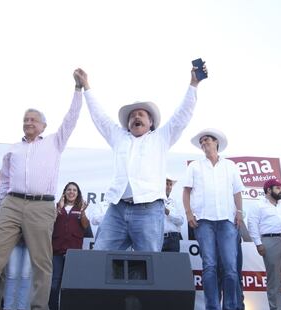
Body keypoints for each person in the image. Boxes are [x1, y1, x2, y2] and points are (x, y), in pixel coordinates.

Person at [0, 71, 83, 310]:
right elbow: (5, 184)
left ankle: (39, 307)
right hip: (11, 204)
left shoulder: (54, 142)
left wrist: (78, 90)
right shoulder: (13, 150)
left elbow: (71, 119)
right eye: (25, 119)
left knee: (41, 262)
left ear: (43, 125)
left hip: (41, 206)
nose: (28, 122)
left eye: (33, 120)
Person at [74, 63, 207, 252]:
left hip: (149, 210)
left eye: (141, 114)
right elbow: (100, 117)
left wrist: (193, 84)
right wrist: (86, 87)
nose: (136, 117)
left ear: (151, 122)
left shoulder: (162, 137)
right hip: (117, 210)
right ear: (127, 124)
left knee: (149, 263)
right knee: (100, 256)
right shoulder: (119, 137)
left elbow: (182, 115)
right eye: (132, 116)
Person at [183, 128, 243, 310]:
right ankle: (212, 307)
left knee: (231, 268)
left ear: (216, 142)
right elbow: (186, 191)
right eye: (201, 141)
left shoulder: (230, 166)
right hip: (203, 222)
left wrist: (239, 211)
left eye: (207, 139)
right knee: (209, 266)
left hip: (226, 220)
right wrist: (188, 213)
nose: (204, 143)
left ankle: (231, 307)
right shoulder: (194, 165)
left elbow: (237, 191)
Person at [247, 179, 281, 310]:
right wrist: (258, 244)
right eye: (277, 188)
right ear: (268, 190)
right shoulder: (258, 205)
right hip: (269, 241)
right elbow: (252, 224)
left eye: (280, 188)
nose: (280, 190)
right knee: (274, 280)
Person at [49, 182, 90, 310]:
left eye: (74, 190)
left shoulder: (80, 208)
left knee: (71, 283)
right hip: (56, 251)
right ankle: (53, 308)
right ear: (65, 192)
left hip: (74, 252)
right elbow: (50, 224)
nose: (71, 192)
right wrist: (58, 209)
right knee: (55, 283)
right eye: (69, 189)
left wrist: (82, 212)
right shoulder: (57, 207)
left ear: (78, 194)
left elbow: (85, 226)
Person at [2, 239, 32, 310]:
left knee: (26, 274)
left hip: (31, 241)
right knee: (12, 274)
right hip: (15, 239)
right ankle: (7, 307)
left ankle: (21, 308)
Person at [162, 175, 184, 252]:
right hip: (158, 238)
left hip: (173, 238)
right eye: (166, 184)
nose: (168, 187)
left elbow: (181, 221)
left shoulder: (175, 201)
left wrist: (168, 212)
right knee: (158, 263)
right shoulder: (155, 201)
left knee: (174, 263)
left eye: (170, 184)